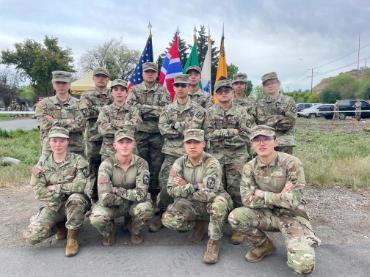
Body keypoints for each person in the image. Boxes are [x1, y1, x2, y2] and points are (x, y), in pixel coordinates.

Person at [228, 125, 320, 275]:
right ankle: (264, 246)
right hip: (266, 214)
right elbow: (247, 200)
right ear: (251, 144)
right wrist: (280, 195)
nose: (262, 143)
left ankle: (301, 242)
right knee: (236, 217)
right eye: (256, 140)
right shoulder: (249, 167)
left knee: (304, 266)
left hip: (291, 215)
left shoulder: (291, 163)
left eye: (266, 139)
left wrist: (262, 194)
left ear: (275, 142)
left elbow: (293, 201)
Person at [162, 129, 233, 264]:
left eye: (196, 142)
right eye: (189, 143)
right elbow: (171, 190)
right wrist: (194, 185)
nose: (192, 146)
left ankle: (214, 242)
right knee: (169, 219)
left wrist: (185, 185)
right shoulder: (179, 162)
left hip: (214, 199)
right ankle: (200, 222)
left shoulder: (212, 163)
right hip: (194, 200)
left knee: (218, 206)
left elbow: (208, 194)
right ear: (184, 145)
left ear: (203, 144)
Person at [23, 127, 90, 257]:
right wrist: (64, 189)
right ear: (49, 142)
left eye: (62, 141)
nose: (58, 144)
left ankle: (72, 238)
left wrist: (55, 187)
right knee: (31, 238)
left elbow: (81, 186)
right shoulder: (42, 163)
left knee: (75, 199)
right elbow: (38, 191)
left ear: (67, 142)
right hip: (53, 205)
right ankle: (58, 225)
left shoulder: (78, 161)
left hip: (74, 203)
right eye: (54, 141)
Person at [152, 74, 206, 232]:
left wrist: (174, 125)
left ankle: (196, 217)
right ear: (173, 88)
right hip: (171, 154)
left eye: (184, 85)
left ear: (189, 87)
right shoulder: (167, 109)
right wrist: (185, 131)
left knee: (195, 185)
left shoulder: (198, 109)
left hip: (193, 155)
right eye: (178, 86)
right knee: (165, 183)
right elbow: (163, 130)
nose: (181, 88)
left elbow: (195, 130)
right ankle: (162, 213)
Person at [89, 127, 154, 246]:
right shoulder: (106, 165)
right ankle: (109, 231)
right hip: (115, 204)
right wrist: (128, 195)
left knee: (146, 209)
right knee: (97, 218)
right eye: (121, 142)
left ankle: (135, 230)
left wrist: (118, 190)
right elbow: (104, 198)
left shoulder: (141, 163)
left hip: (132, 204)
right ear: (114, 145)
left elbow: (141, 194)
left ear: (134, 145)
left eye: (128, 142)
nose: (125, 146)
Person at [126, 62, 170, 201]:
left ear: (156, 74)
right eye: (147, 72)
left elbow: (165, 111)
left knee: (157, 165)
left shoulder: (163, 91)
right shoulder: (135, 90)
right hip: (140, 134)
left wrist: (143, 110)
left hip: (157, 134)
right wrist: (154, 110)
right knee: (140, 163)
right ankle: (141, 194)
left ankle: (155, 195)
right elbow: (131, 108)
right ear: (143, 74)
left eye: (152, 72)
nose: (150, 74)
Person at [35, 71, 85, 156]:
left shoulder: (79, 103)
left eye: (64, 83)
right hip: (51, 148)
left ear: (69, 85)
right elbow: (45, 124)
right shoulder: (44, 104)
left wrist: (54, 121)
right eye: (58, 83)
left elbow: (81, 125)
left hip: (74, 147)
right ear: (53, 84)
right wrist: (68, 122)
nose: (61, 86)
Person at [79, 67, 112, 180]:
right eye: (98, 76)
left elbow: (120, 110)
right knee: (93, 166)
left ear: (108, 79)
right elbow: (86, 112)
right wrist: (107, 110)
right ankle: (93, 195)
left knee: (110, 165)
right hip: (93, 136)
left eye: (104, 77)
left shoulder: (114, 93)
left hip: (110, 135)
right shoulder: (86, 95)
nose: (101, 79)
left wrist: (96, 109)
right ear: (93, 78)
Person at [97, 79, 141, 160]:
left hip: (129, 151)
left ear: (126, 93)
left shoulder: (133, 110)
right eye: (116, 89)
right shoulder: (105, 110)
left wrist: (113, 123)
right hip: (109, 151)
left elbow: (136, 128)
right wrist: (126, 126)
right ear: (111, 93)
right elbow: (102, 130)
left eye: (122, 90)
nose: (119, 92)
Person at [256, 72, 297, 154]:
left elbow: (289, 122)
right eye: (266, 84)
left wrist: (269, 121)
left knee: (284, 165)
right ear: (264, 87)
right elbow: (260, 122)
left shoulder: (288, 100)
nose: (270, 86)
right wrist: (279, 118)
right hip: (266, 140)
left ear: (278, 83)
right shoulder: (260, 103)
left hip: (285, 141)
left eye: (272, 83)